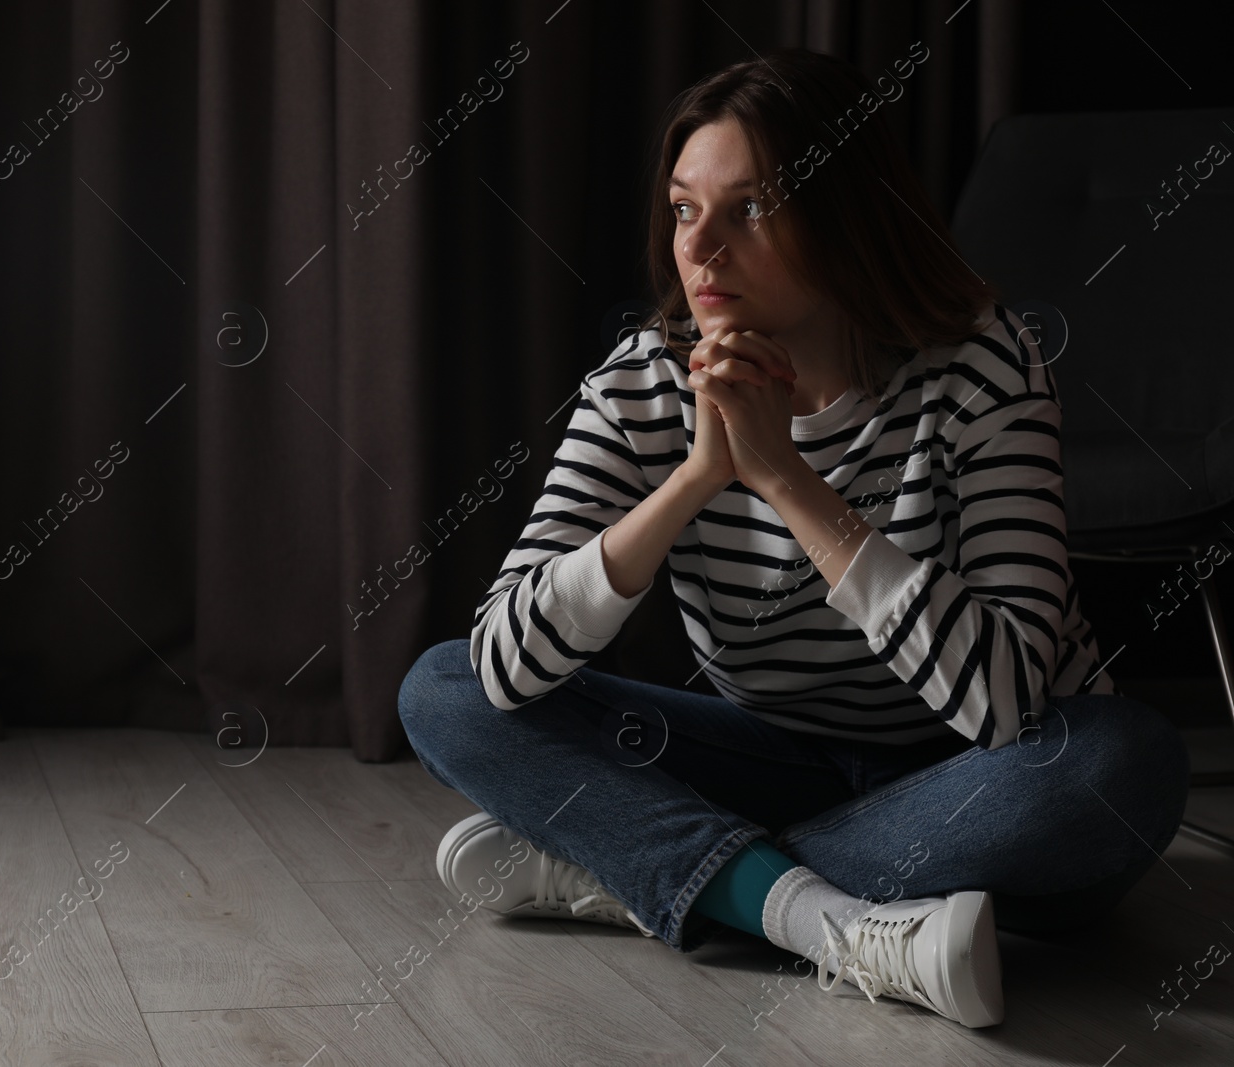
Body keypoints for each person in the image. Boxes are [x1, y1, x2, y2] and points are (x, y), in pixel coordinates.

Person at [396, 47, 1189, 1030]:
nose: (703, 249)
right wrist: (694, 479)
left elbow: (1004, 703)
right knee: (444, 684)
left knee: (1123, 762)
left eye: (749, 209)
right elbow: (506, 667)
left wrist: (783, 476)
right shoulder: (646, 382)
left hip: (978, 781)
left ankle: (660, 870)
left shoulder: (981, 367)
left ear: (846, 213)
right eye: (686, 209)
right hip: (773, 753)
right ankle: (822, 918)